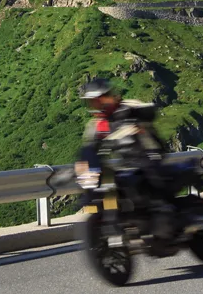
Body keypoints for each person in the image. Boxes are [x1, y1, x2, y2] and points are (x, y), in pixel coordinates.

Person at [74, 77, 176, 243]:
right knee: (113, 184)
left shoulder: (128, 107)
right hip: (126, 165)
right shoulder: (97, 125)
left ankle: (166, 211)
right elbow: (89, 148)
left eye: (97, 100)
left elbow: (149, 110)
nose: (96, 105)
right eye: (92, 102)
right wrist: (83, 165)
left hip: (150, 155)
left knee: (151, 179)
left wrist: (136, 117)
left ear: (107, 95)